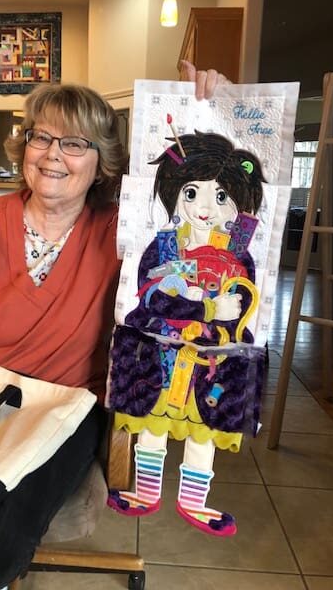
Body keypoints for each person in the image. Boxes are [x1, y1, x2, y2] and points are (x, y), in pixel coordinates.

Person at [0, 62, 224, 589]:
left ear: (102, 164)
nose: (53, 153)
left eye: (75, 143)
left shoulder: (128, 236)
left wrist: (205, 114)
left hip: (66, 405)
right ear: (25, 147)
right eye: (41, 137)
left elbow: (196, 209)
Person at [107, 131, 267, 537]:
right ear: (175, 194)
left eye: (221, 196)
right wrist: (206, 308)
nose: (204, 208)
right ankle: (146, 492)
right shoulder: (162, 247)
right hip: (160, 357)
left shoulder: (238, 255)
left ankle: (193, 501)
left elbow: (244, 307)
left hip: (209, 364)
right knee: (151, 425)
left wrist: (229, 311)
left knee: (203, 433)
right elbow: (150, 298)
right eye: (192, 193)